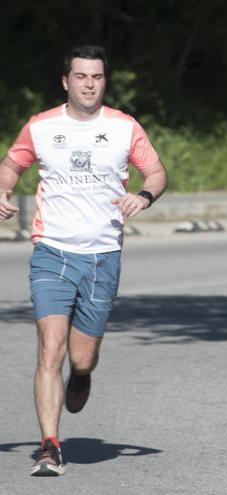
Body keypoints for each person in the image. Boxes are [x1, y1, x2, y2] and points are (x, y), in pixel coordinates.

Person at [0, 45, 168, 476]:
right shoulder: (41, 127)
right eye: (81, 76)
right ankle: (49, 446)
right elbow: (12, 163)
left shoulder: (124, 127)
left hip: (102, 257)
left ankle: (83, 373)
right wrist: (2, 188)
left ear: (103, 82)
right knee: (49, 350)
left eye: (96, 77)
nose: (89, 84)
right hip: (52, 251)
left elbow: (157, 172)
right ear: (66, 81)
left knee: (80, 358)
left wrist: (144, 195)